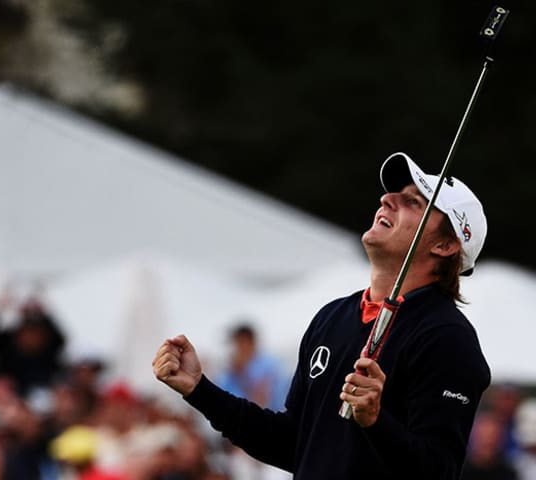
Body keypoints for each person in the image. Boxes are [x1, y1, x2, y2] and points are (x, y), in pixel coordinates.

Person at [152, 153, 491, 479]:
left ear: (446, 246)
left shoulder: (448, 338)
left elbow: (438, 470)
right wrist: (199, 390)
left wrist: (375, 421)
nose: (388, 199)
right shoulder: (334, 316)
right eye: (395, 193)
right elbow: (293, 443)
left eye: (414, 202)